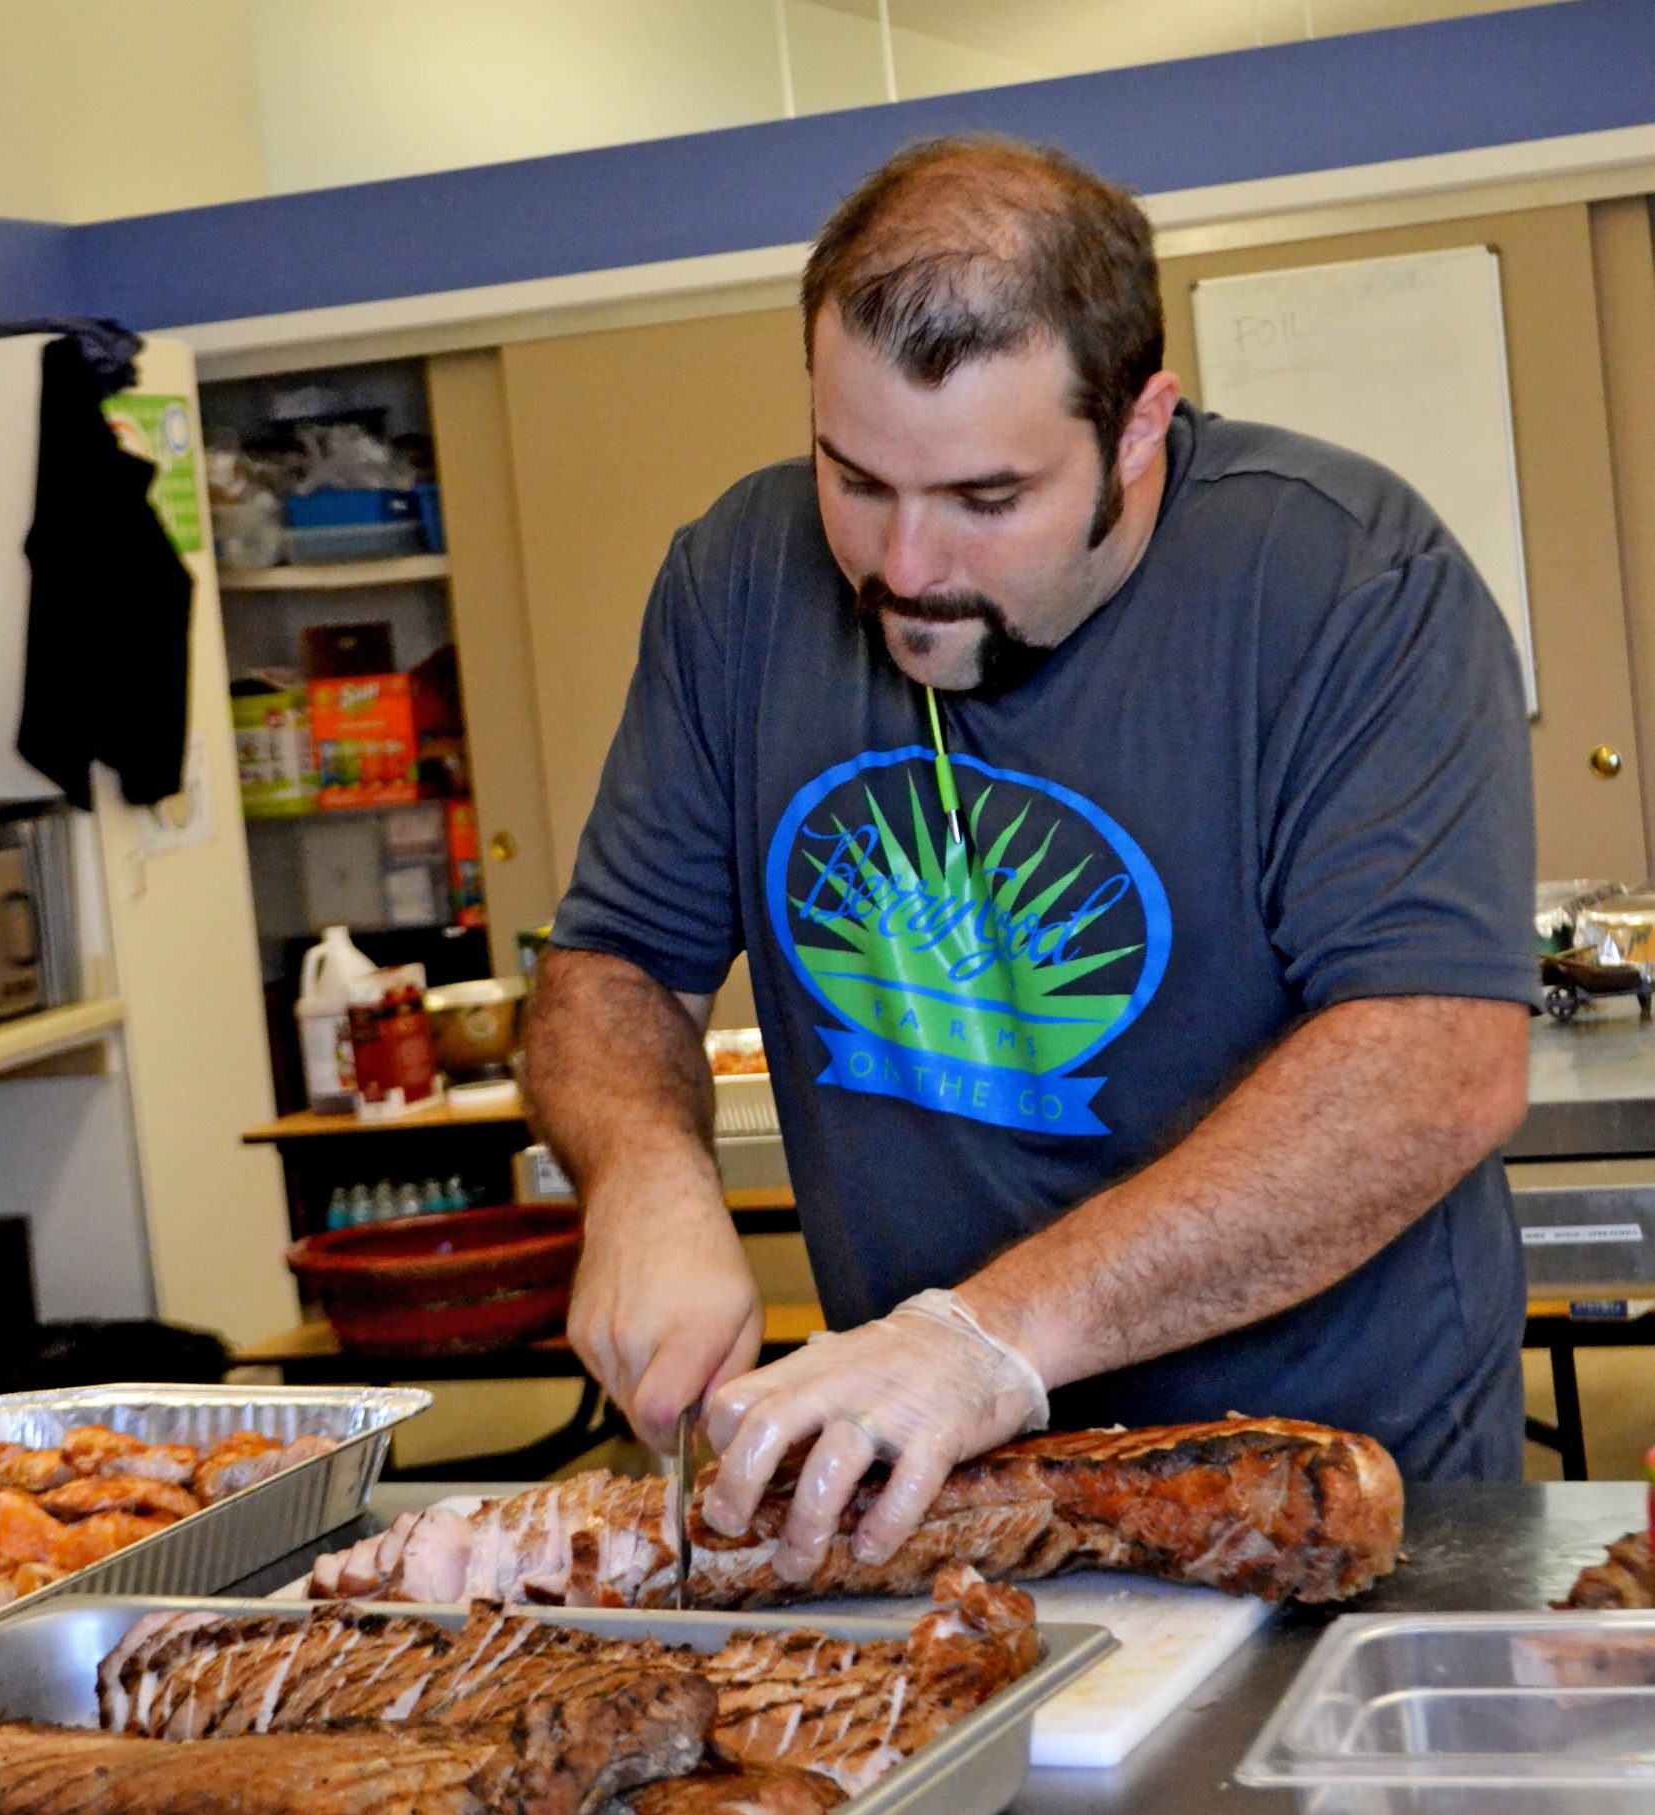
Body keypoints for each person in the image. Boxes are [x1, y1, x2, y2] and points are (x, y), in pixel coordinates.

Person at [523, 134, 1537, 1582]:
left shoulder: (1344, 581)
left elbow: (1434, 1060)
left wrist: (990, 1334)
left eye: (987, 500)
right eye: (854, 476)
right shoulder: (736, 577)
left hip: (1334, 1489)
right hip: (936, 1487)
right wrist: (641, 1169)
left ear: (1138, 427)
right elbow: (616, 958)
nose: (904, 564)